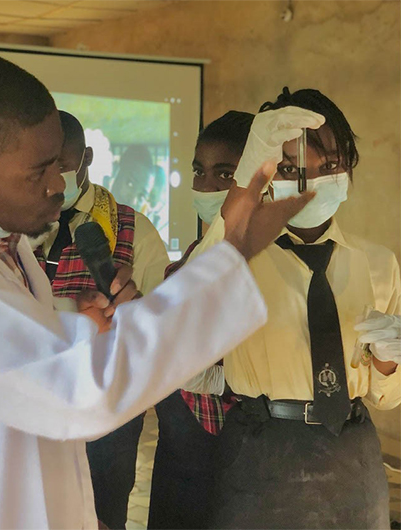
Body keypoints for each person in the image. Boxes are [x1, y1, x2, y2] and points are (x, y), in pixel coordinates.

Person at [0, 53, 313, 530]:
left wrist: (82, 517)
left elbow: (18, 393)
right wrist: (232, 251)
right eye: (38, 172)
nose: (56, 188)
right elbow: (77, 394)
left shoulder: (3, 245)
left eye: (60, 168)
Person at [187, 88, 401, 529]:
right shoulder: (236, 255)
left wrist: (388, 360)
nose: (314, 181)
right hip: (263, 450)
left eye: (332, 166)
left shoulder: (376, 263)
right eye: (289, 169)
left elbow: (385, 397)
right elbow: (185, 321)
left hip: (353, 456)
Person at [32, 110, 170, 529]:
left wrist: (138, 317)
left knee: (103, 514)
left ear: (88, 157)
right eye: (44, 165)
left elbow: (161, 330)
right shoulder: (18, 226)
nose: (55, 177)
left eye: (64, 163)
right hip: (33, 408)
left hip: (109, 422)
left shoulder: (134, 229)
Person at [147, 110, 254, 530]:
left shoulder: (269, 261)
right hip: (180, 440)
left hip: (233, 450)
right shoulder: (196, 252)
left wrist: (212, 378)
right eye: (198, 171)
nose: (205, 186)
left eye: (224, 174)